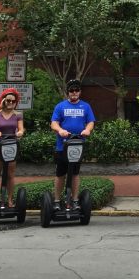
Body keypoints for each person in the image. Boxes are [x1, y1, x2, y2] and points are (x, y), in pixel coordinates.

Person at [50, 79, 95, 210]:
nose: (74, 92)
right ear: (68, 92)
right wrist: (60, 130)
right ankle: (57, 201)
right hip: (62, 146)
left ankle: (75, 200)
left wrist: (87, 130)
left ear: (80, 92)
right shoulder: (60, 106)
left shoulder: (86, 106)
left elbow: (90, 121)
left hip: (78, 145)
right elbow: (54, 123)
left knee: (75, 173)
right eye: (71, 90)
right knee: (60, 173)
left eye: (76, 90)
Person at [0, 87, 25, 208]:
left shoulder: (18, 115)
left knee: (10, 175)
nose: (11, 103)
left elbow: (21, 129)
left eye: (13, 101)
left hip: (11, 146)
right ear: (4, 100)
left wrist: (20, 133)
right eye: (8, 100)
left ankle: (9, 200)